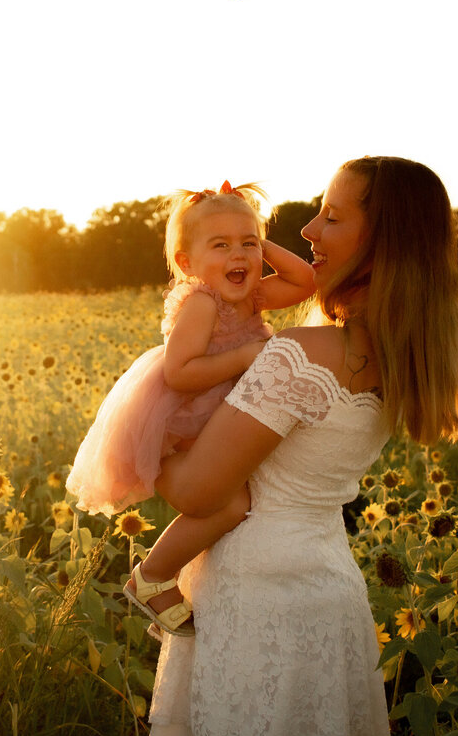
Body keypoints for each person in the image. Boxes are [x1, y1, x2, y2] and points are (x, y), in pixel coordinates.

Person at [146, 157, 458, 736]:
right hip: (331, 592)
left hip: (256, 597)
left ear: (379, 242)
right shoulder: (404, 356)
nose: (308, 231)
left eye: (331, 216)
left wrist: (143, 451)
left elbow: (198, 491)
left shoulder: (299, 355)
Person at [65, 181, 316, 635]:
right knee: (231, 503)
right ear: (186, 264)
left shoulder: (253, 293)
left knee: (246, 495)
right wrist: (241, 358)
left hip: (226, 421)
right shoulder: (202, 303)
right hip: (185, 424)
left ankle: (192, 578)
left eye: (247, 244)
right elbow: (178, 374)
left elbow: (305, 281)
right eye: (220, 245)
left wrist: (259, 244)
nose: (237, 256)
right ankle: (152, 576)